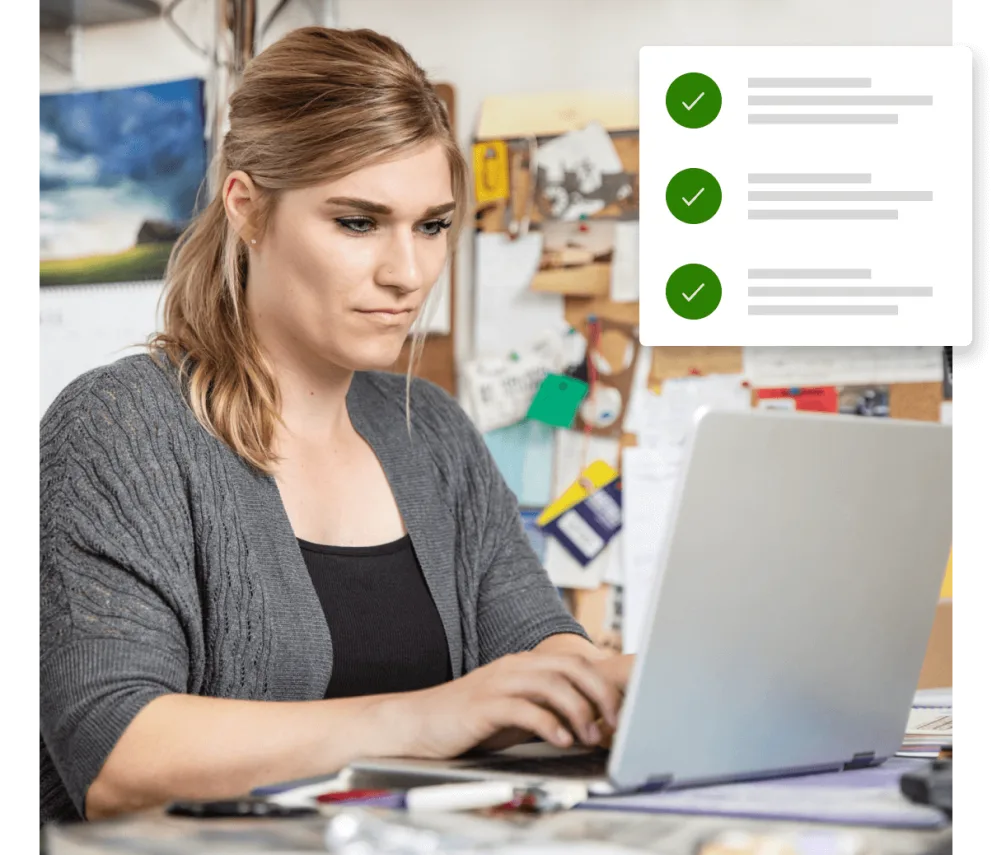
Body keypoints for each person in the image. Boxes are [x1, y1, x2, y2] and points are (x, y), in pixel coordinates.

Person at [36, 26, 634, 825]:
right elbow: (119, 755)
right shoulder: (120, 429)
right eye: (358, 222)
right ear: (248, 209)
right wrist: (422, 717)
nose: (408, 273)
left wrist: (601, 683)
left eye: (430, 225)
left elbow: (530, 636)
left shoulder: (432, 434)